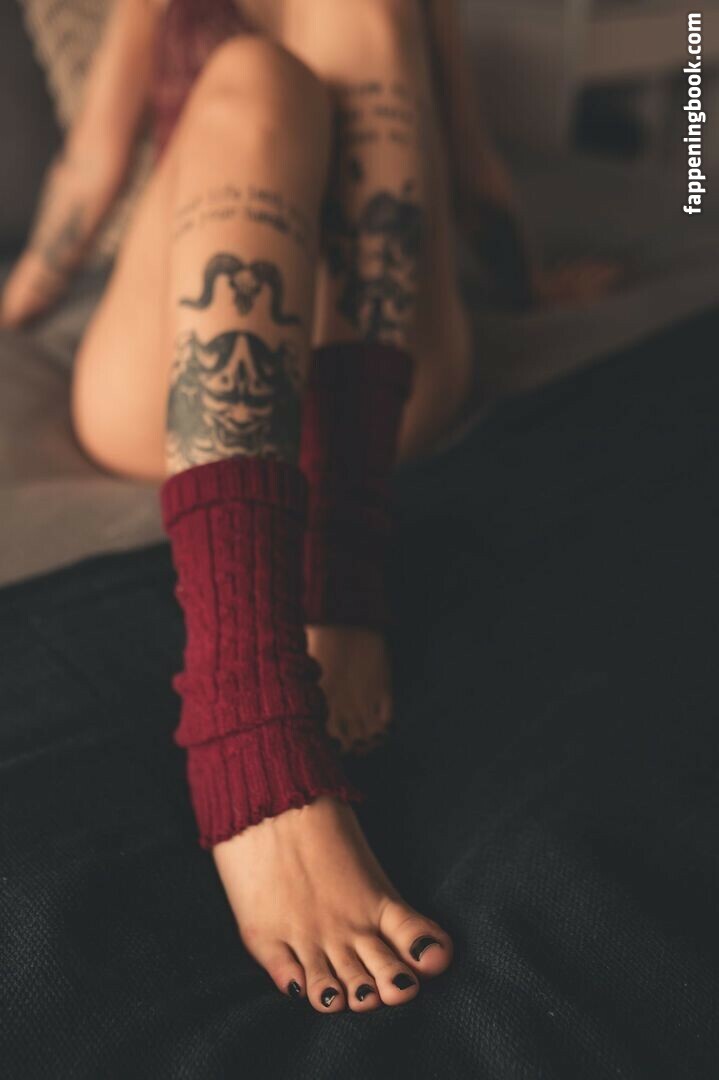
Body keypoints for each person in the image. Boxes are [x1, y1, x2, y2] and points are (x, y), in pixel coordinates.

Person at [0, 0, 572, 1015]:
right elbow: (86, 175)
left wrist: (538, 286)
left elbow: (472, 174)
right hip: (178, 379)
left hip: (375, 392)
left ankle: (338, 564)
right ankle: (245, 711)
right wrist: (15, 311)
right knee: (257, 77)